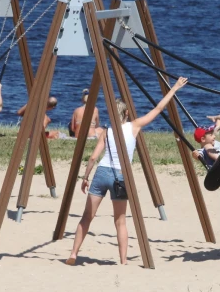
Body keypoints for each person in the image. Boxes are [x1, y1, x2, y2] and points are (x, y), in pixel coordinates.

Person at [66, 77, 188, 266]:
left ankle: (73, 254)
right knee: (120, 221)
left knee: (87, 217)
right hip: (121, 176)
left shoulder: (107, 131)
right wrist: (174, 88)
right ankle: (123, 261)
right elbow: (158, 109)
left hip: (102, 172)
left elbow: (92, 157)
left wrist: (85, 177)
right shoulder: (134, 126)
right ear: (127, 113)